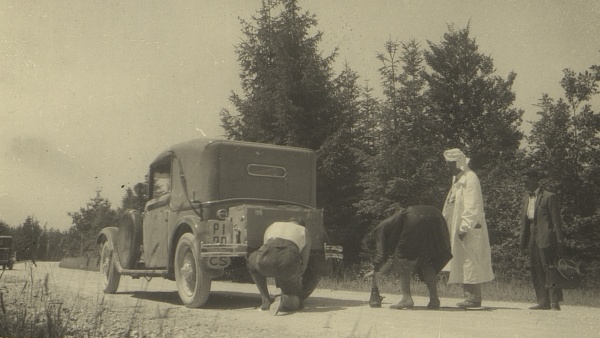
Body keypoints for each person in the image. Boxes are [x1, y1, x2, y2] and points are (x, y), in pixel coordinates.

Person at [363, 205, 452, 310]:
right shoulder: (394, 229)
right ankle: (434, 300)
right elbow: (390, 260)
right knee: (426, 259)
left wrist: (375, 269)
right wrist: (380, 271)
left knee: (402, 258)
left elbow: (381, 254)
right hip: (436, 215)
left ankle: (406, 299)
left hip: (415, 217)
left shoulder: (378, 231)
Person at [442, 148, 494, 308]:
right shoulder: (458, 179)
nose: (448, 167)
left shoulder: (470, 178)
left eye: (450, 164)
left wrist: (465, 226)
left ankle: (473, 298)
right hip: (458, 226)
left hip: (469, 228)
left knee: (470, 260)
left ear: (459, 163)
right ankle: (469, 296)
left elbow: (473, 206)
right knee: (463, 260)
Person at [519, 168, 564, 310]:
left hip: (546, 236)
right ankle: (542, 301)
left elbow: (557, 221)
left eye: (526, 181)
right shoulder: (526, 198)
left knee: (550, 268)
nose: (524, 183)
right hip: (531, 235)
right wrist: (522, 240)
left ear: (534, 180)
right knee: (535, 268)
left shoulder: (549, 196)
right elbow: (524, 221)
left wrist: (559, 241)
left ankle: (554, 302)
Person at [247, 217, 311, 315]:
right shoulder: (304, 230)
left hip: (266, 257)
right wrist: (293, 281)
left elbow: (266, 249)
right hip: (288, 258)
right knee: (296, 304)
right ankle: (286, 297)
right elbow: (304, 264)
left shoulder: (274, 225)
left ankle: (265, 299)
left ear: (288, 221)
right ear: (301, 225)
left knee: (251, 263)